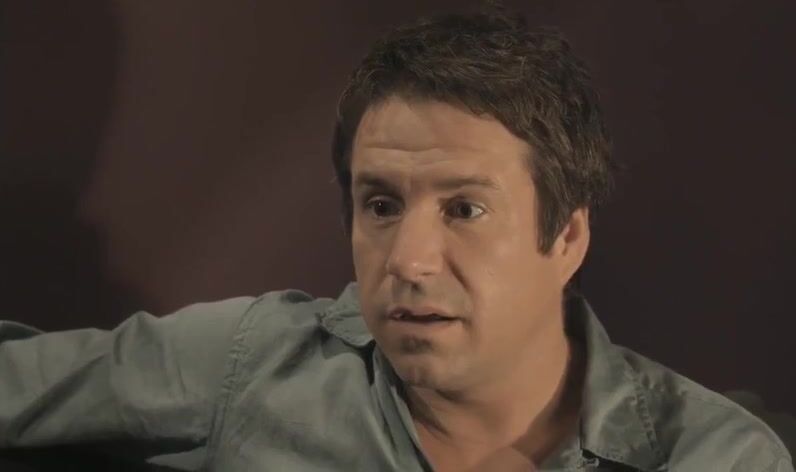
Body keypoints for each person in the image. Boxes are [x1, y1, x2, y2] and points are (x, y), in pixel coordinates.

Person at [0, 6, 792, 472]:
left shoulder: (713, 457)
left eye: (465, 210)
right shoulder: (256, 363)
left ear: (568, 238)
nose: (407, 261)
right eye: (381, 205)